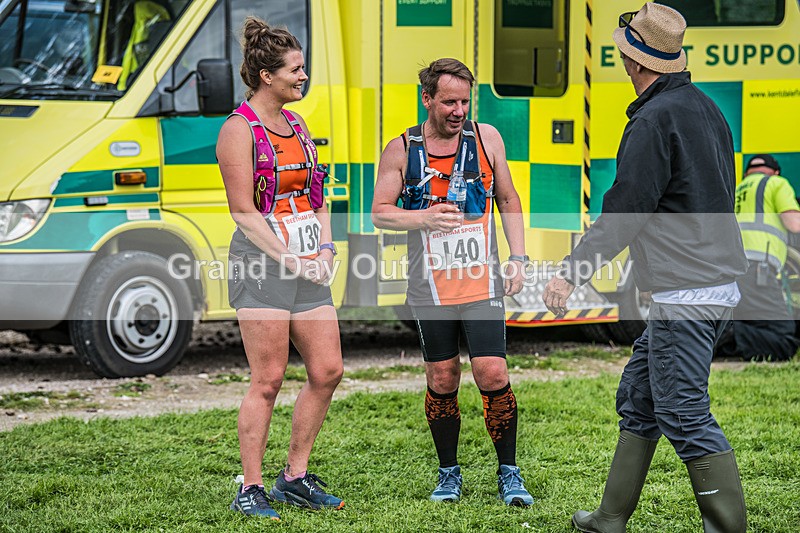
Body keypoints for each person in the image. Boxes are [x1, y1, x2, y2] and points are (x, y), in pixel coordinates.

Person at [542, 4, 748, 532]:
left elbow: (625, 212)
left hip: (686, 292)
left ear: (632, 60)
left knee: (683, 413)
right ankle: (610, 518)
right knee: (640, 398)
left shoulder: (654, 119)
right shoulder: (705, 108)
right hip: (709, 284)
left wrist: (571, 272)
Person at [372, 58, 533, 506]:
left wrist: (518, 258)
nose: (459, 111)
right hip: (430, 286)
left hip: (481, 282)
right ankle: (448, 473)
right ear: (427, 99)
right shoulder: (402, 149)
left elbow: (508, 198)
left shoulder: (486, 138)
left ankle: (509, 471)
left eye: (465, 101)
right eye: (449, 102)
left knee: (492, 371)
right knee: (443, 378)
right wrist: (423, 217)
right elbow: (380, 212)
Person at [216, 17, 344, 520]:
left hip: (308, 264)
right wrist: (291, 259)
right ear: (266, 76)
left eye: (303, 68)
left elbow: (317, 196)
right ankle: (250, 488)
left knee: (327, 370)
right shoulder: (238, 130)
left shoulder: (298, 125)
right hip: (260, 264)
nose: (303, 76)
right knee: (267, 379)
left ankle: (293, 477)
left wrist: (326, 249)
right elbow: (244, 212)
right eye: (295, 69)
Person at [716, 154, 800, 361]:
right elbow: (794, 224)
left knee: (751, 322)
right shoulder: (776, 183)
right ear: (775, 172)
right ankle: (722, 334)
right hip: (756, 272)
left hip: (727, 274)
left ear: (747, 173)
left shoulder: (735, 191)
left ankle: (718, 333)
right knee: (784, 340)